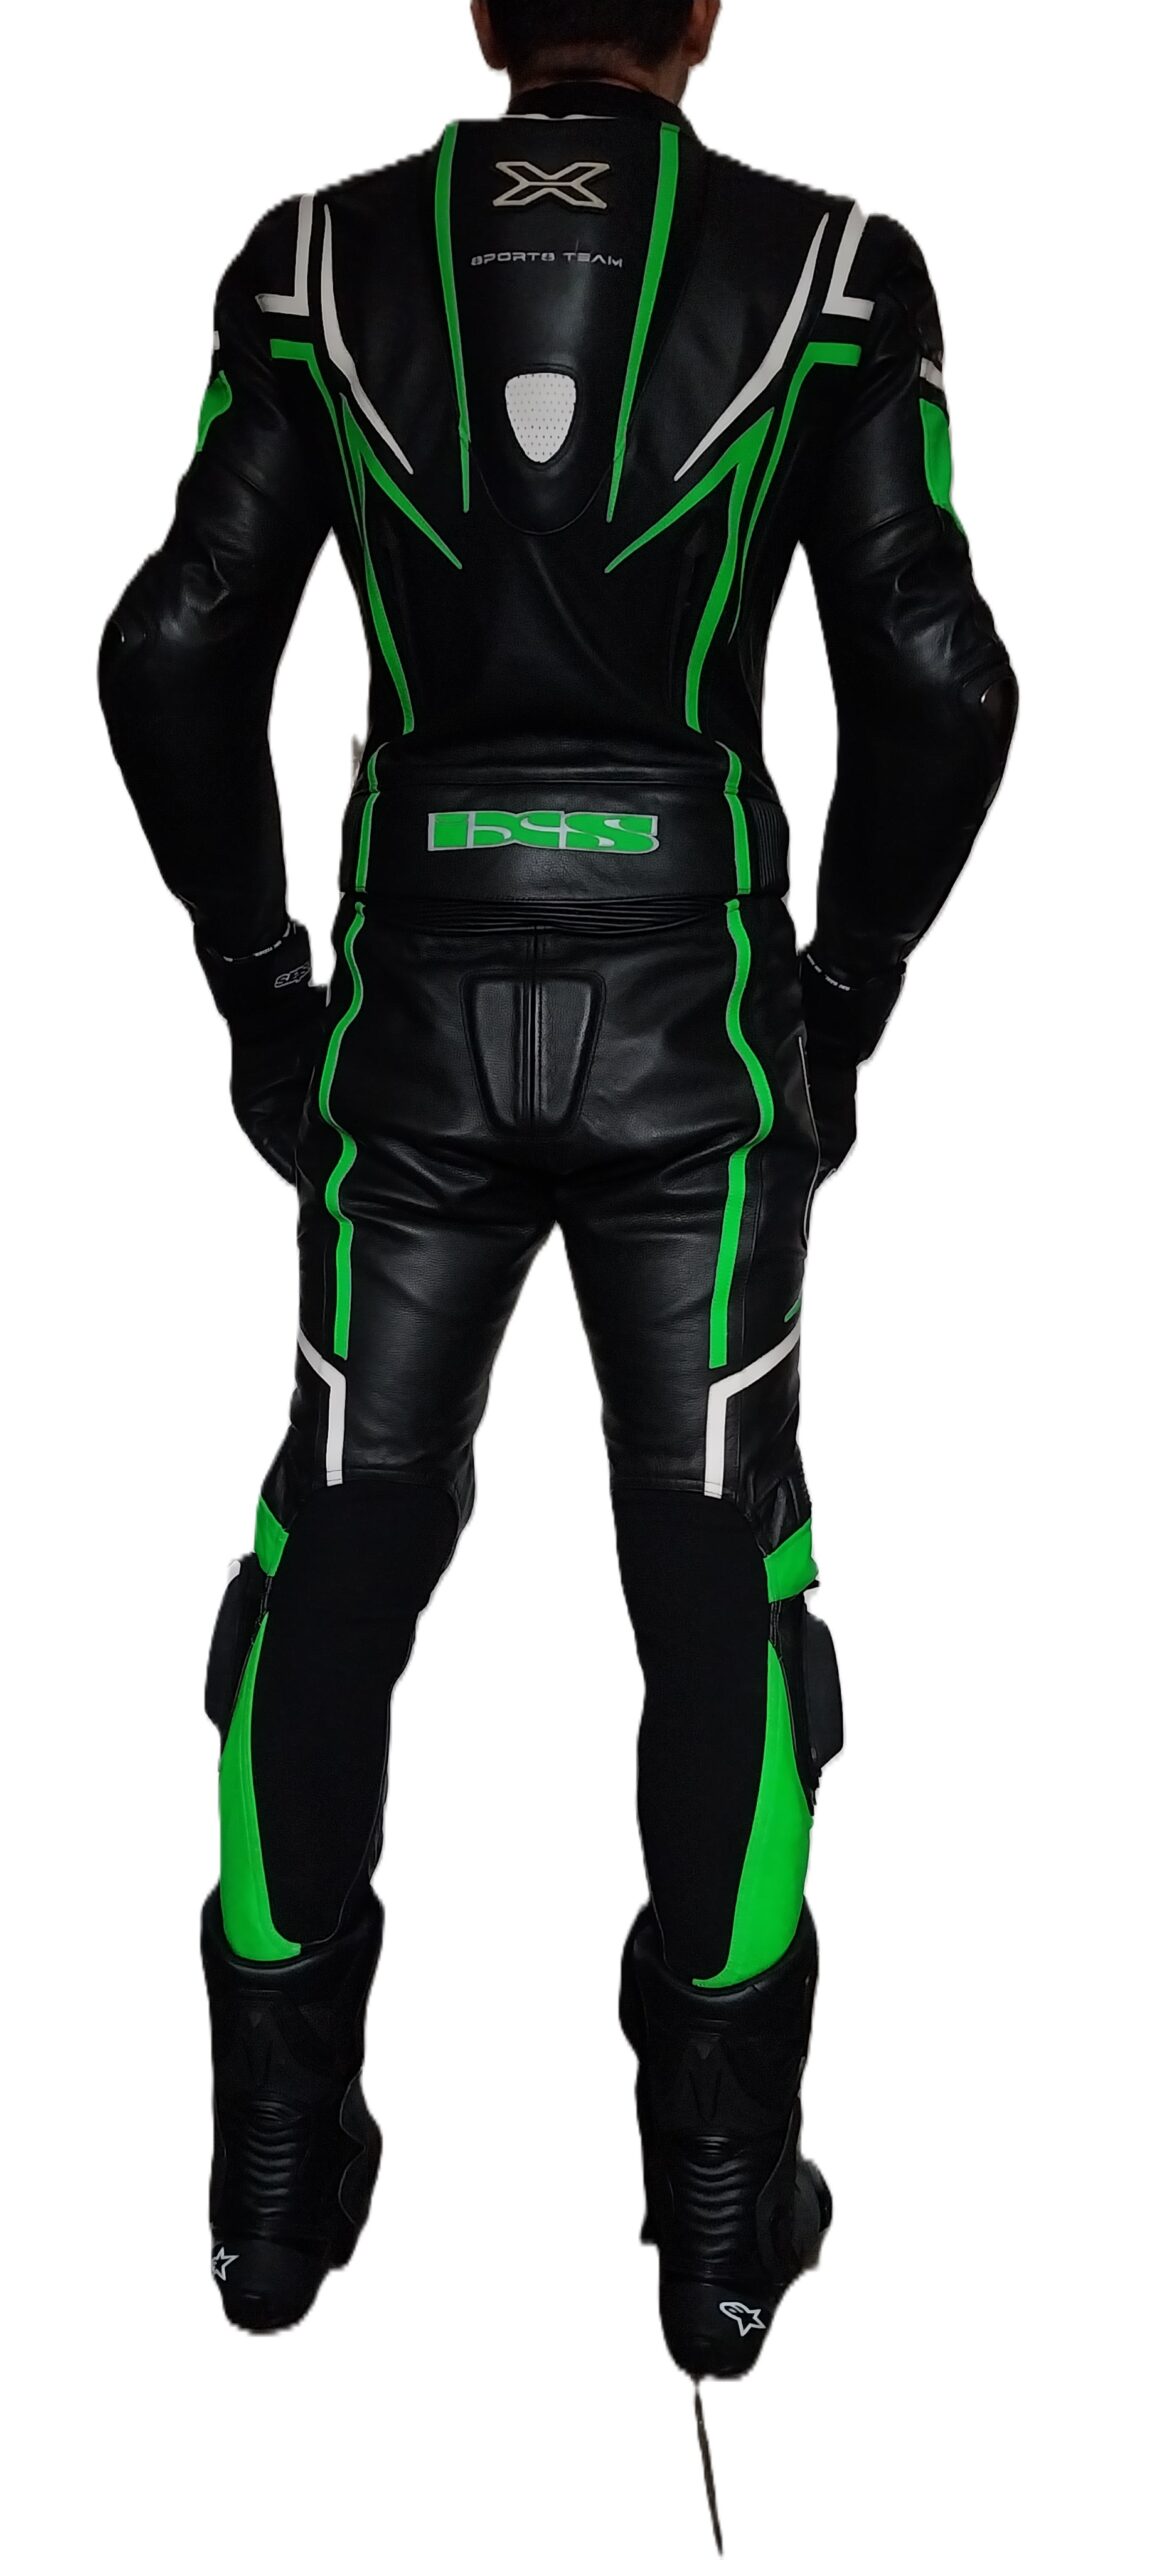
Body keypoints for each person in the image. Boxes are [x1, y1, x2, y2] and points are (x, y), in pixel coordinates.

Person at [99, 0, 1017, 2384]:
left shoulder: (315, 265)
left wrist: (259, 986)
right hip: (690, 1022)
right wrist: (843, 995)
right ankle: (719, 2212)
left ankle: (273, 2180)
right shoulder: (834, 271)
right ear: (703, 15)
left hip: (409, 1010)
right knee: (721, 1578)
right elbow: (941, 678)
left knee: (336, 1544)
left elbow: (176, 647)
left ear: (489, 14)